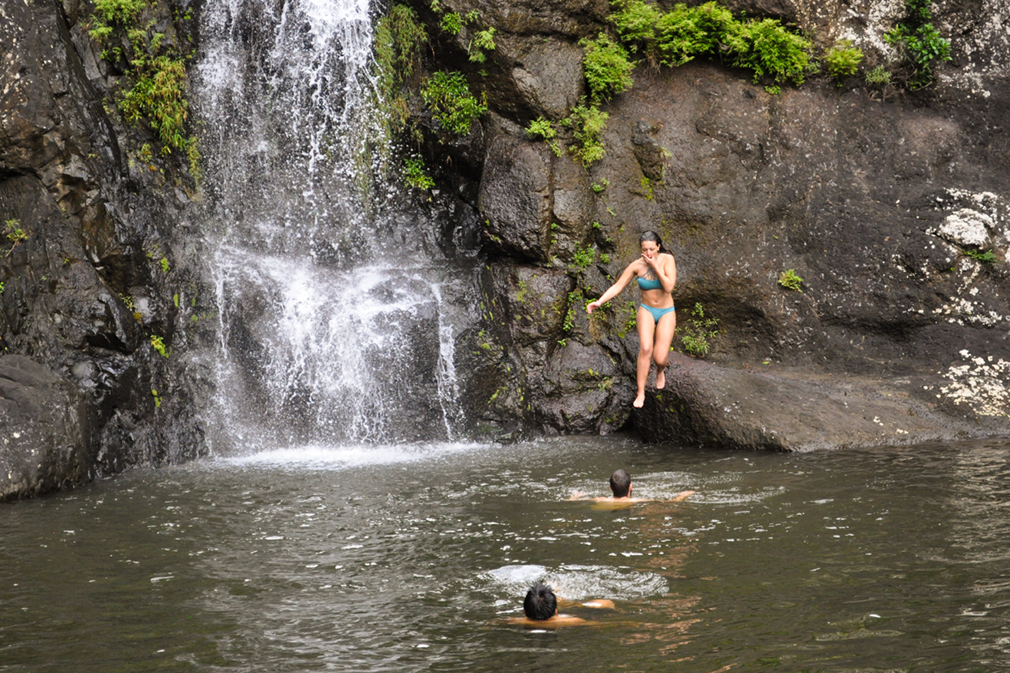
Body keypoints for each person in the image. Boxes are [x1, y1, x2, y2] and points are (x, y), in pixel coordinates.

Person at [586, 231, 677, 408]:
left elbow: (669, 287)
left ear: (658, 246)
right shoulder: (636, 265)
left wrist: (655, 266)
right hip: (647, 309)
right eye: (645, 249)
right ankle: (640, 392)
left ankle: (660, 370)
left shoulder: (667, 260)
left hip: (666, 311)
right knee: (645, 348)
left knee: (659, 358)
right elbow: (618, 286)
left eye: (652, 249)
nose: (649, 253)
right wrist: (600, 301)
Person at [509, 583, 614, 628]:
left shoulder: (514, 621)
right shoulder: (574, 621)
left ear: (525, 612)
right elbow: (608, 602)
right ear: (556, 611)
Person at [569, 469, 695, 505]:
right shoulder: (637, 501)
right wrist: (682, 496)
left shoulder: (600, 500)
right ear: (630, 487)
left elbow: (570, 502)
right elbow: (670, 503)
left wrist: (575, 496)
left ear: (610, 488)